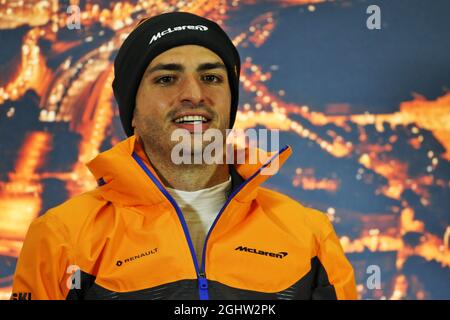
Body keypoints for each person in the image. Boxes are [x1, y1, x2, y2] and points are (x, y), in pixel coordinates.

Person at [11, 12, 357, 300]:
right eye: (166, 79)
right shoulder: (60, 237)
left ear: (230, 103)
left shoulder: (310, 236)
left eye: (211, 77)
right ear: (131, 110)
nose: (194, 94)